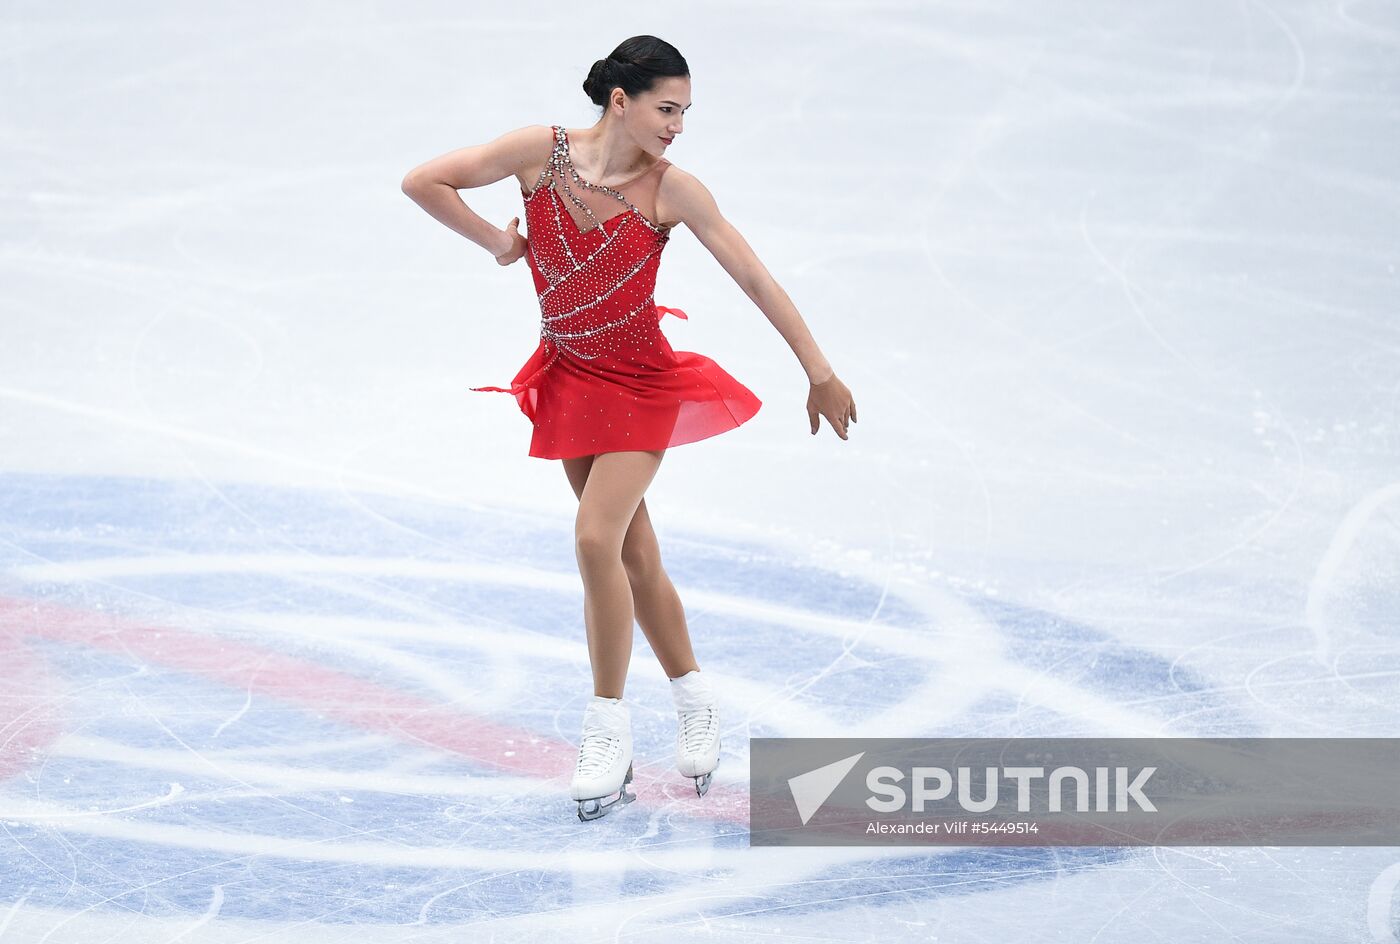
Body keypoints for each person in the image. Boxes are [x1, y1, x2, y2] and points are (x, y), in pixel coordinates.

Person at [402, 35, 857, 821]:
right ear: (622, 100)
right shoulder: (537, 153)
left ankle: (606, 725)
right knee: (633, 554)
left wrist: (818, 370)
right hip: (570, 374)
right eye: (667, 108)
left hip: (641, 382)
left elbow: (753, 273)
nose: (678, 125)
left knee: (592, 538)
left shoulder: (672, 190)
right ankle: (695, 696)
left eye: (685, 112)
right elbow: (424, 181)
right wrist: (500, 243)